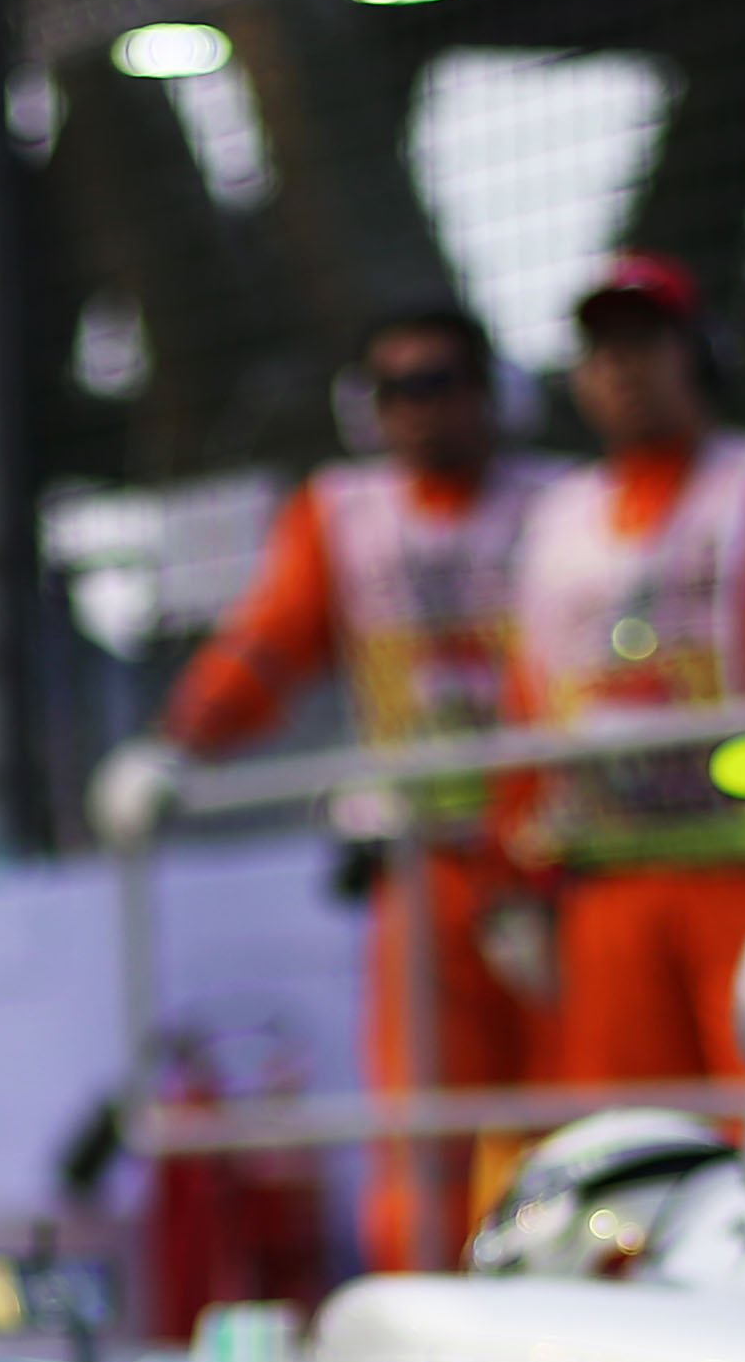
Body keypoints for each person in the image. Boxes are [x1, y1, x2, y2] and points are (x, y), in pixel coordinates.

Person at [131, 305, 571, 1270]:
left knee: (576, 1115)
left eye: (442, 382)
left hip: (556, 872)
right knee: (422, 1134)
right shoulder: (343, 515)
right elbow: (265, 646)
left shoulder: (566, 505)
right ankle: (429, 1314)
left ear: (494, 393)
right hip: (423, 870)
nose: (420, 408)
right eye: (395, 389)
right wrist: (176, 744)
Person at [497, 251, 745, 1094]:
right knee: (632, 1131)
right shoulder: (554, 522)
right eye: (603, 351)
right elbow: (526, 710)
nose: (623, 368)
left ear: (701, 352)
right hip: (606, 889)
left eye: (645, 344)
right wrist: (517, 884)